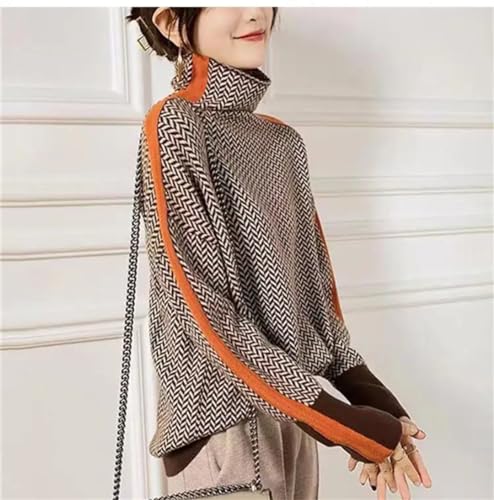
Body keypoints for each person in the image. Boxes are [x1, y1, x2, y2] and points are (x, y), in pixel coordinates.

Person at [125, 7, 431, 499]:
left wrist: (375, 402)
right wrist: (338, 421)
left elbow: (314, 298)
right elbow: (202, 310)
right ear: (169, 22)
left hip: (293, 415)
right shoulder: (174, 124)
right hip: (222, 423)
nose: (255, 12)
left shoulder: (281, 141)